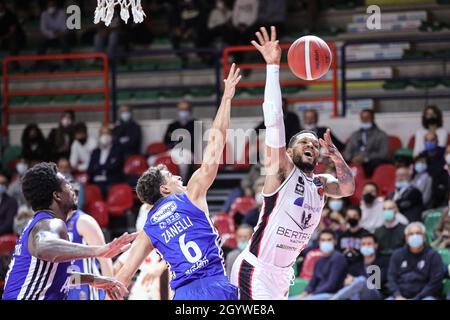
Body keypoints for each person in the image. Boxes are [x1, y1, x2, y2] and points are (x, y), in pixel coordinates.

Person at [230, 27, 355, 300]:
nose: (311, 146)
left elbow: (347, 188)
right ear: (289, 151)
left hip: (284, 273)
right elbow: (274, 119)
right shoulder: (282, 171)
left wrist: (337, 157)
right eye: (304, 143)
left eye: (314, 144)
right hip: (258, 269)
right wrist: (273, 67)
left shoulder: (321, 183)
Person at [114, 64, 242, 300]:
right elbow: (216, 143)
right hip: (215, 287)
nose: (179, 177)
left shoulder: (148, 228)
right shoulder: (190, 195)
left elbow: (122, 277)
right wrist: (226, 98)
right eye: (172, 177)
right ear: (164, 189)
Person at [2, 162, 137, 300]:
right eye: (66, 184)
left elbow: (57, 277)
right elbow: (42, 245)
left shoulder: (37, 223)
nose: (72, 188)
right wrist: (99, 251)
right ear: (57, 196)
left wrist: (93, 279)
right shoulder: (49, 223)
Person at [66, 181, 114, 300]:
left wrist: (110, 291)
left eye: (74, 195)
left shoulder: (83, 221)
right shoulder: (57, 223)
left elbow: (105, 258)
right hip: (67, 285)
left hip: (87, 288)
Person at [387, 222, 445, 300]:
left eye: (418, 233)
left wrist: (417, 298)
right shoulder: (397, 255)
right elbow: (391, 278)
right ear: (406, 238)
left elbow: (435, 283)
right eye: (411, 234)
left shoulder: (433, 256)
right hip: (401, 296)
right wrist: (397, 295)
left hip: (425, 296)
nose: (415, 236)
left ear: (424, 237)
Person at [334, 233, 388, 300]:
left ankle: (335, 298)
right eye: (363, 244)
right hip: (358, 295)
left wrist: (354, 280)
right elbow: (347, 281)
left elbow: (376, 283)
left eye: (369, 244)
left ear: (375, 245)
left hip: (376, 294)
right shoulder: (356, 263)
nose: (366, 246)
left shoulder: (383, 262)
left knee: (361, 280)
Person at [297, 229, 348, 300]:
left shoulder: (338, 258)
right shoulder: (319, 261)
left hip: (331, 295)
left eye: (329, 240)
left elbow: (331, 285)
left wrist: (312, 294)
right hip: (317, 294)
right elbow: (313, 282)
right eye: (323, 240)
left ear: (335, 241)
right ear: (319, 242)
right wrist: (304, 293)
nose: (326, 242)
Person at [343, 109, 389, 177]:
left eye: (367, 118)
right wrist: (352, 158)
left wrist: (365, 158)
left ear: (373, 119)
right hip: (354, 160)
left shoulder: (381, 135)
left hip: (371, 162)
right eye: (362, 118)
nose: (364, 120)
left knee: (376, 162)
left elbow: (383, 153)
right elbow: (347, 151)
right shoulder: (354, 135)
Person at [87, 124, 124, 196]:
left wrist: (98, 167)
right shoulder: (95, 152)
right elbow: (90, 170)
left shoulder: (117, 151)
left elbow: (114, 168)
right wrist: (105, 167)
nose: (104, 136)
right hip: (96, 182)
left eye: (107, 134)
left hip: (110, 182)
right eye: (102, 134)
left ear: (112, 136)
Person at [338, 205, 370, 271]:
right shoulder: (342, 235)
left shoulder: (366, 235)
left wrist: (354, 252)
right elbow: (338, 253)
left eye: (354, 216)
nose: (351, 218)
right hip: (343, 267)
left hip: (360, 267)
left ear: (360, 217)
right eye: (349, 216)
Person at [0, 0, 26, 66]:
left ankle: (15, 64)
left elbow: (12, 31)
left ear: (3, 5)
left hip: (13, 38)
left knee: (13, 40)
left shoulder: (10, 15)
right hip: (2, 39)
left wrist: (3, 38)